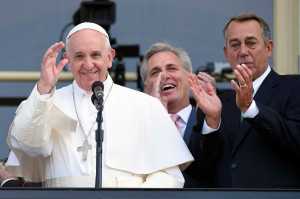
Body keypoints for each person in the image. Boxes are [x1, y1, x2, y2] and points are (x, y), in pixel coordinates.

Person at [7, 22, 194, 188]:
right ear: (68, 61)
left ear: (110, 57)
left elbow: (169, 176)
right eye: (79, 56)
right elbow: (27, 146)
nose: (88, 64)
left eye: (95, 55)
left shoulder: (145, 105)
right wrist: (44, 88)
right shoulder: (46, 102)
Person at [190, 13, 300, 188]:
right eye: (235, 45)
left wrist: (251, 108)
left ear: (269, 48)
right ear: (226, 53)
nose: (242, 51)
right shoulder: (217, 103)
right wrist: (212, 122)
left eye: (251, 43)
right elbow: (199, 171)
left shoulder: (294, 88)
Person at [140, 42, 222, 187]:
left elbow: (211, 162)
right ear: (146, 86)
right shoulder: (137, 128)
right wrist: (158, 117)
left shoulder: (209, 120)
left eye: (171, 68)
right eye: (155, 72)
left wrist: (213, 119)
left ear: (190, 78)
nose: (164, 76)